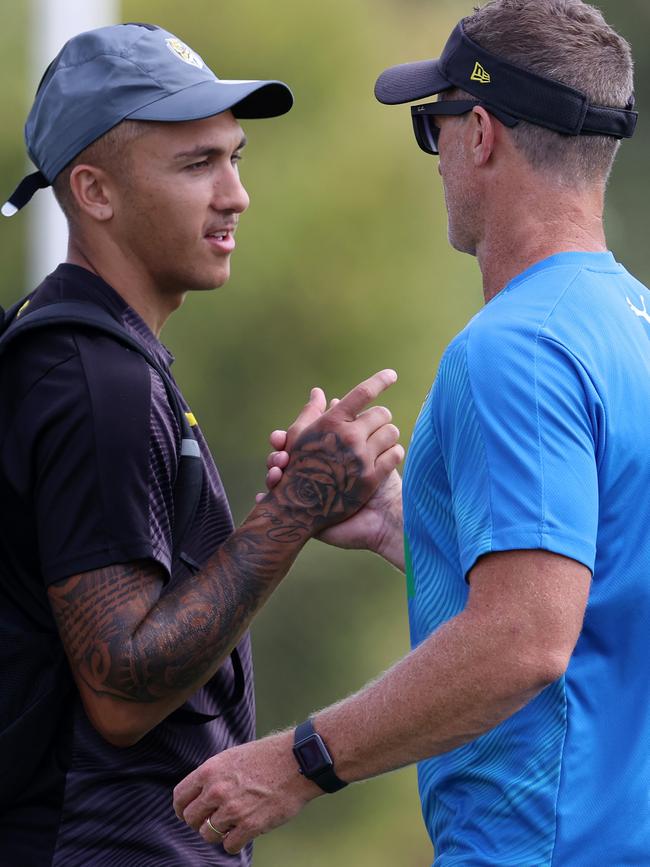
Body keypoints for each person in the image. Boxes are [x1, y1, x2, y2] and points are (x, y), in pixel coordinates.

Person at [173, 1, 650, 863]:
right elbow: (600, 588)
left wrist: (295, 762)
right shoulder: (633, 326)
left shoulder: (517, 350)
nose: (436, 159)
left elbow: (525, 638)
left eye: (431, 127)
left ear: (480, 137)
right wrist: (408, 523)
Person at [0, 22, 402, 867]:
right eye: (196, 165)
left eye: (236, 157)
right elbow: (120, 690)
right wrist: (292, 512)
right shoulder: (92, 380)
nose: (236, 194)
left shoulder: (94, 358)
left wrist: (282, 514)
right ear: (95, 192)